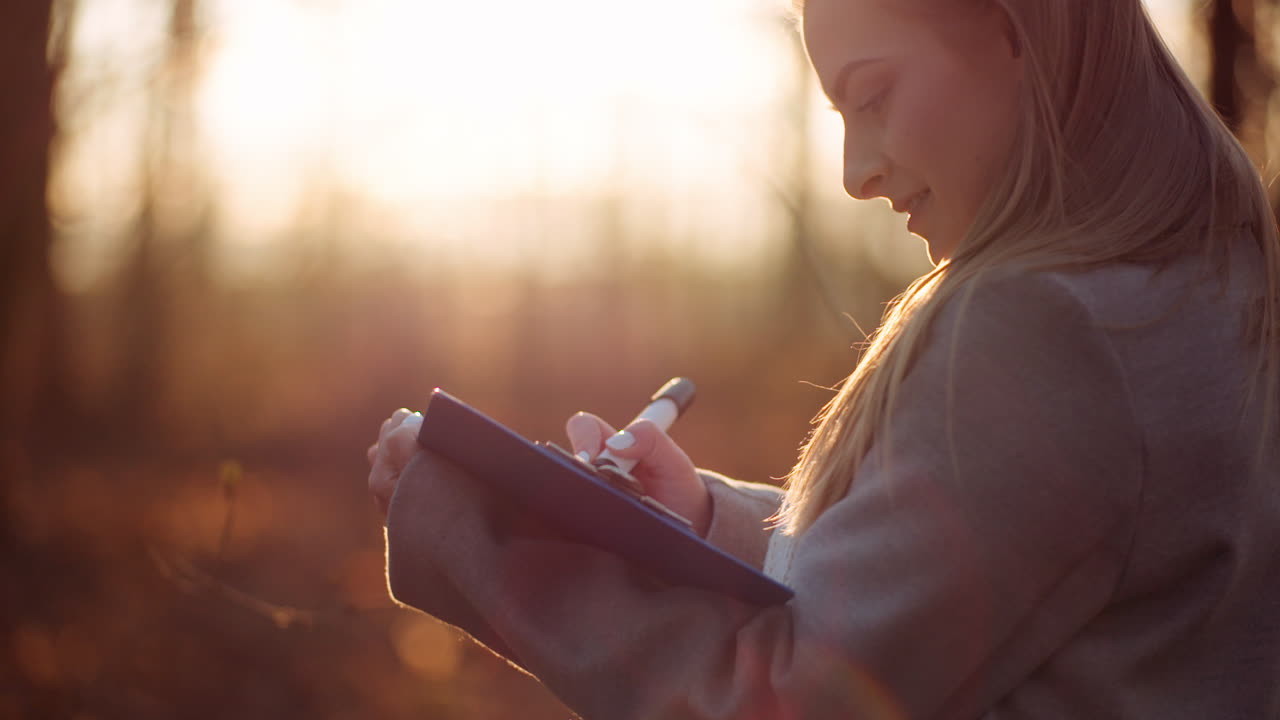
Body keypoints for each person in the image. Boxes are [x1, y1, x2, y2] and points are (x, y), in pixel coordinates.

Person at [367, 0, 1280, 717]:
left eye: (872, 97)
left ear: (1010, 28)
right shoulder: (1211, 277)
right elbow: (978, 583)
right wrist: (707, 523)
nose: (854, 174)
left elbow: (785, 701)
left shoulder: (1045, 327)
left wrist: (471, 526)